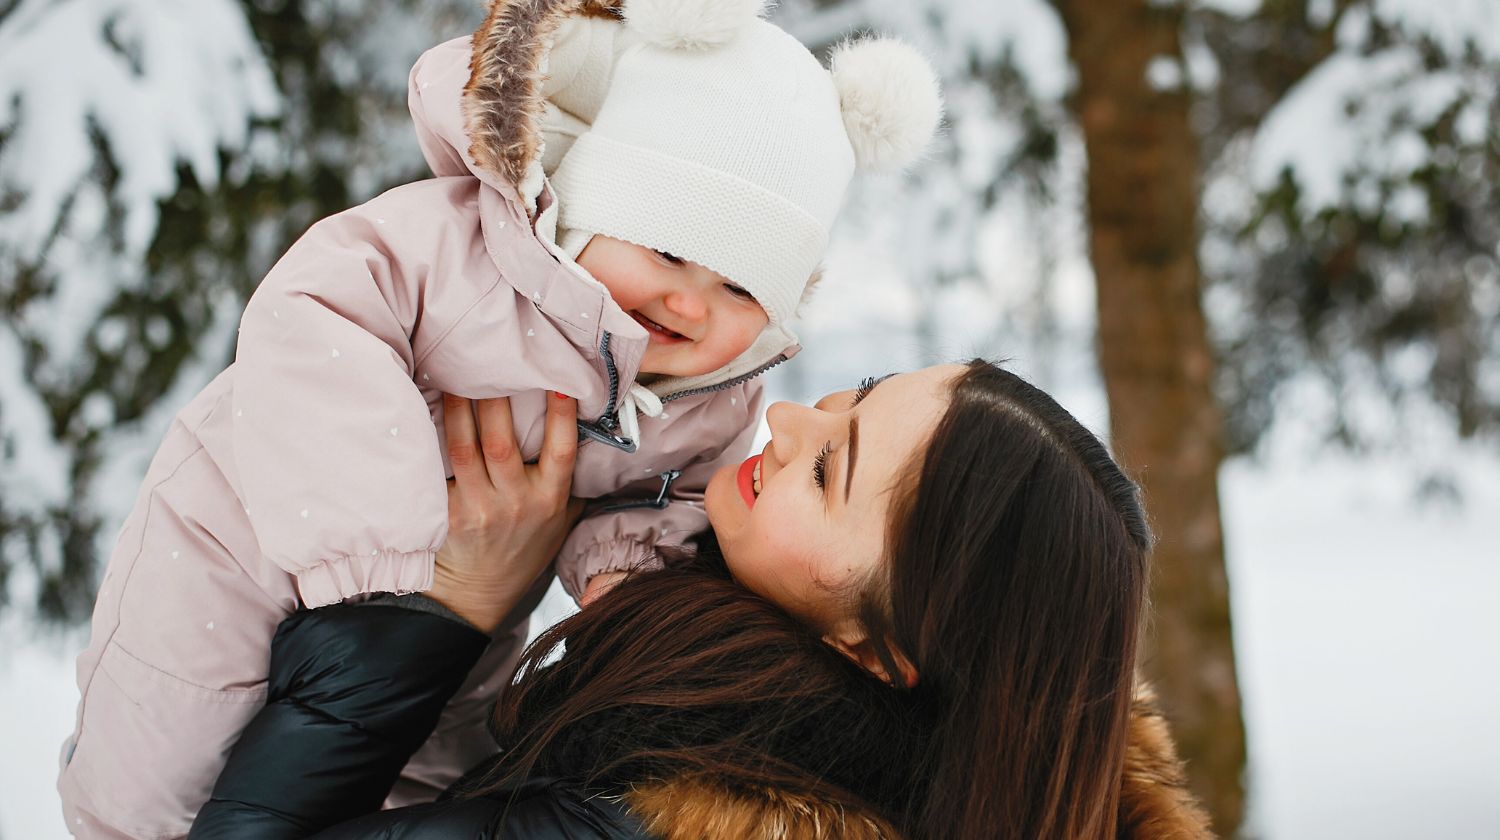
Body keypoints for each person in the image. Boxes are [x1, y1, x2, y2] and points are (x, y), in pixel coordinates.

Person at [57, 0, 944, 835]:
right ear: (595, 204)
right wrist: (391, 554)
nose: (690, 301)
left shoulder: (714, 398)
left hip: (457, 617)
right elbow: (312, 311)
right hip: (247, 533)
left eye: (742, 288)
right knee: (167, 750)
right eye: (669, 248)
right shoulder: (463, 254)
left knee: (435, 766)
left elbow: (663, 502)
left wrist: (621, 585)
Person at [191, 361, 1216, 840]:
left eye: (831, 470)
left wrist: (451, 607)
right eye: (849, 397)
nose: (786, 418)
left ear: (882, 651)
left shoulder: (658, 821)